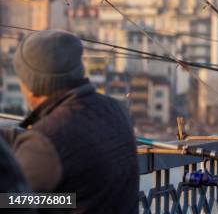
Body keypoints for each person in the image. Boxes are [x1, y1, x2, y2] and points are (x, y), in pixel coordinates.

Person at [0, 30, 139, 214]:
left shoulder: (46, 143)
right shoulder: (117, 109)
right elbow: (73, 197)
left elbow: (14, 201)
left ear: (34, 85)